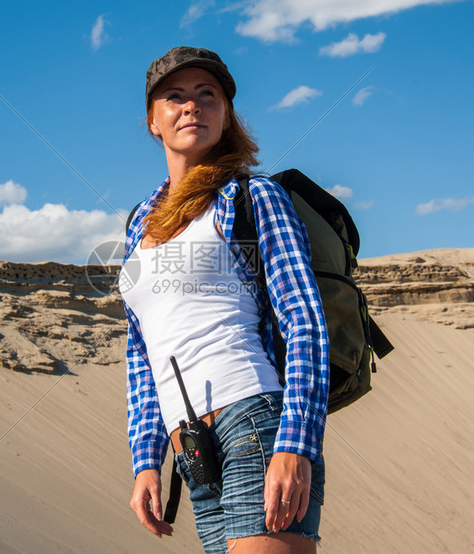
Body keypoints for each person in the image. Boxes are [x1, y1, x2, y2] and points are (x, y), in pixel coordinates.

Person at [119, 46, 329, 553]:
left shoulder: (252, 198)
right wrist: (146, 459)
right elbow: (142, 355)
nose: (192, 106)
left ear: (226, 114)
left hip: (254, 422)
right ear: (153, 120)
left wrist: (295, 444)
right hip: (192, 449)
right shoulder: (138, 224)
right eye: (175, 97)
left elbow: (304, 320)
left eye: (207, 95)